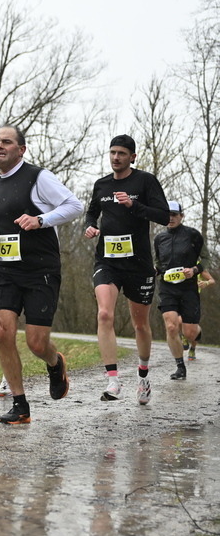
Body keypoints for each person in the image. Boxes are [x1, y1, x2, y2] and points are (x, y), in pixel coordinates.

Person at [0, 125, 83, 424]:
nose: (0, 146)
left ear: (21, 149)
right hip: (3, 269)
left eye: (7, 142)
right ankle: (20, 404)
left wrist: (41, 220)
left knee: (36, 343)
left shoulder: (39, 177)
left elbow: (74, 206)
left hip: (40, 270)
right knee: (1, 333)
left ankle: (54, 361)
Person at [83, 135, 169, 405]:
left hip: (139, 264)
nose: (115, 157)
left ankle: (143, 375)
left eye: (121, 153)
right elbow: (91, 212)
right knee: (105, 313)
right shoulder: (102, 185)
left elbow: (164, 215)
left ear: (132, 156)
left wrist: (135, 206)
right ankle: (113, 380)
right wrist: (90, 225)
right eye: (112, 152)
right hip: (107, 260)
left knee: (140, 324)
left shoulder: (145, 181)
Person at [154, 201, 211, 381]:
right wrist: (154, 271)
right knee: (171, 326)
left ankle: (196, 333)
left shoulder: (193, 235)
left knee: (190, 333)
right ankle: (180, 366)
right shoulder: (159, 238)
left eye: (174, 215)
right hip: (167, 287)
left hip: (188, 288)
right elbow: (158, 263)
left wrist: (194, 270)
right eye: (167, 215)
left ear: (181, 216)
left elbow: (206, 259)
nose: (170, 218)